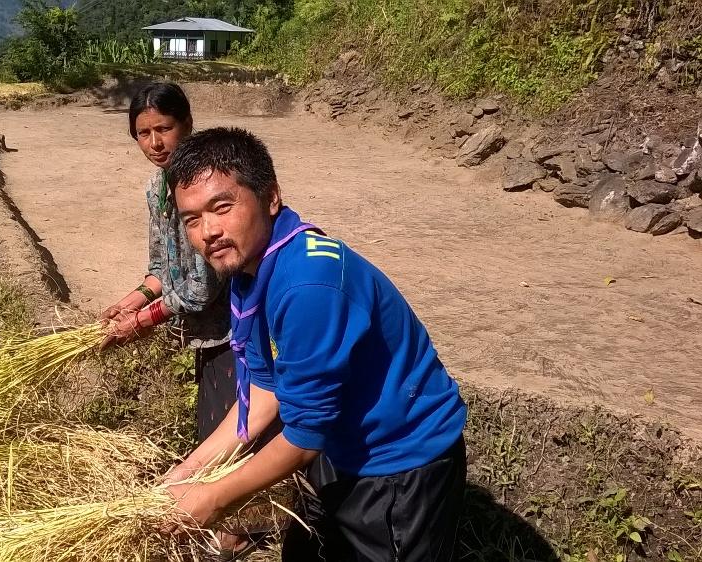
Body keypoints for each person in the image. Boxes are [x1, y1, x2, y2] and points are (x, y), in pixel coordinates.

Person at [164, 127, 469, 561]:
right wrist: (190, 470)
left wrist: (213, 498)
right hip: (337, 442)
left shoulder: (308, 284)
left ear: (271, 197)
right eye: (192, 219)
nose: (208, 231)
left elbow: (305, 435)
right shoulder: (251, 269)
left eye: (222, 207)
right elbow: (264, 389)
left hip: (399, 461)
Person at [98, 84, 258, 559]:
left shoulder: (203, 184)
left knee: (231, 424)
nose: (155, 143)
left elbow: (199, 287)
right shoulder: (156, 190)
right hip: (202, 332)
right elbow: (161, 268)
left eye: (164, 128)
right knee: (214, 422)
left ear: (187, 123)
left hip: (235, 325)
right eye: (143, 134)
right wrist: (129, 301)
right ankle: (232, 520)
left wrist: (142, 320)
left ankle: (238, 529)